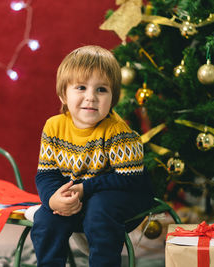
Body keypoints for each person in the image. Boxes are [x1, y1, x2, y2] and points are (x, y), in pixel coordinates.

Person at [30, 45, 154, 267]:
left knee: (99, 209)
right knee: (46, 218)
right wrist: (53, 199)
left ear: (113, 98)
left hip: (124, 192)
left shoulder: (117, 132)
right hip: (80, 193)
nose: (91, 97)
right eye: (81, 87)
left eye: (101, 90)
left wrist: (84, 188)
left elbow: (130, 179)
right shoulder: (54, 127)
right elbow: (46, 174)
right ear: (63, 95)